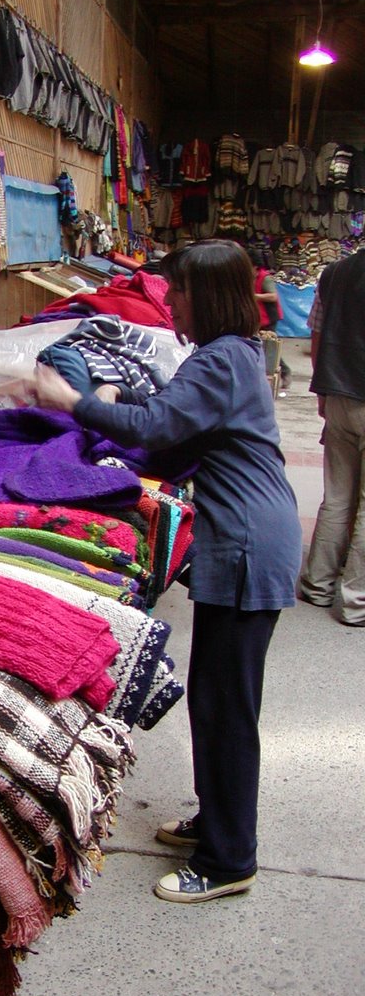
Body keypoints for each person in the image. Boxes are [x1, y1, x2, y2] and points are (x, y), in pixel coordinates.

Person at [33, 239, 302, 904]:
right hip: (242, 534)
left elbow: (156, 427)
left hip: (247, 542)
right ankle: (218, 821)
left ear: (204, 296)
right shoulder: (226, 359)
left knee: (227, 708)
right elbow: (170, 438)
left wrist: (73, 400)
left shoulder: (221, 361)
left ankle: (229, 858)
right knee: (215, 700)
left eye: (178, 291)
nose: (170, 301)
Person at [298, 251, 365, 626]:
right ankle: (356, 602)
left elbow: (317, 333)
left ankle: (318, 584)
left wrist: (323, 389)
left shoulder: (335, 273)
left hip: (338, 393)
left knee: (337, 495)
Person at [248, 249, 291, 390]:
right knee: (259, 345)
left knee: (269, 346)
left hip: (269, 316)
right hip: (257, 316)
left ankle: (285, 372)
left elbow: (273, 296)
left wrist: (255, 296)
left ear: (254, 265)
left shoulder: (265, 278)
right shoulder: (250, 277)